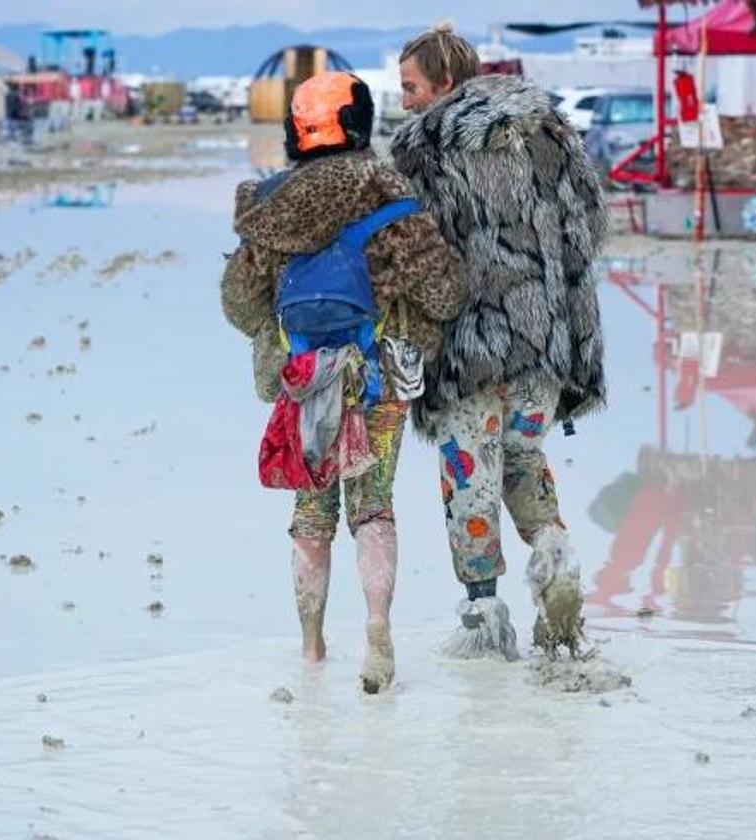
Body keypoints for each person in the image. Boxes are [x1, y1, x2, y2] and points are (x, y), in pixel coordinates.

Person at [222, 72, 465, 692]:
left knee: (310, 514)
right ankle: (378, 629)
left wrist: (287, 343)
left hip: (302, 383)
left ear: (295, 130)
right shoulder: (388, 194)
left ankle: (310, 650)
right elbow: (444, 289)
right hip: (378, 378)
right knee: (374, 506)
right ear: (358, 123)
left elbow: (240, 303)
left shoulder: (269, 204)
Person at [390, 24, 608, 659]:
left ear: (445, 84)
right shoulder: (550, 131)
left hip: (468, 347)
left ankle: (484, 615)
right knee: (523, 460)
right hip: (546, 341)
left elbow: (412, 259)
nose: (403, 101)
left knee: (470, 478)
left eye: (410, 87)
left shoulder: (424, 148)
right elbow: (589, 226)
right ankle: (555, 557)